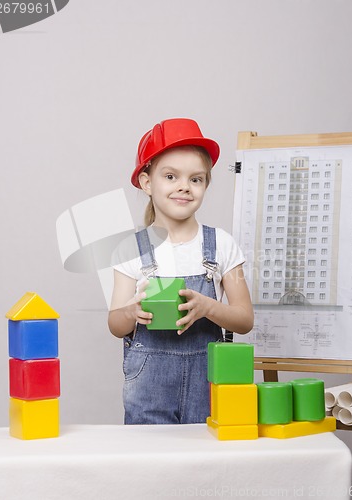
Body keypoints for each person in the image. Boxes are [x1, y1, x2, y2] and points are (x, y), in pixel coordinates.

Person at [108, 118, 254, 425]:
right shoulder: (130, 248)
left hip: (209, 388)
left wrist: (208, 307)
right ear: (147, 182)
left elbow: (244, 320)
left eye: (196, 179)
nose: (184, 186)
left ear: (205, 185)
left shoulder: (222, 244)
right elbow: (115, 324)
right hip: (149, 396)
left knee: (204, 468)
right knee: (154, 467)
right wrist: (132, 311)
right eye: (171, 176)